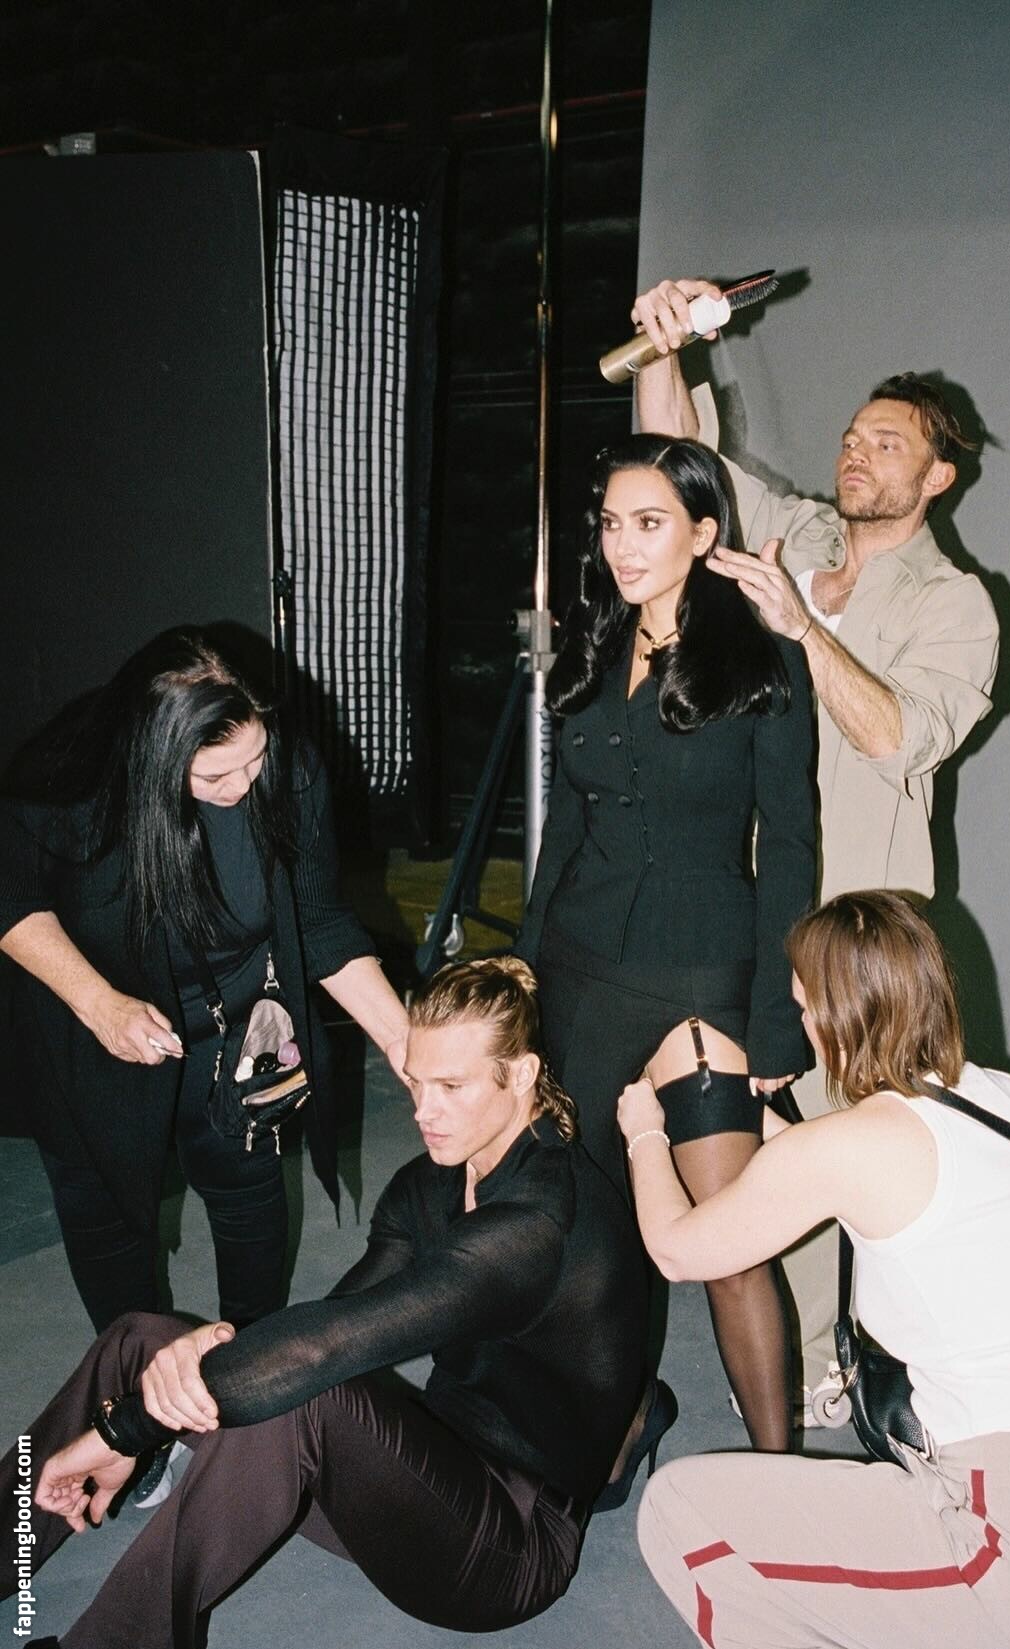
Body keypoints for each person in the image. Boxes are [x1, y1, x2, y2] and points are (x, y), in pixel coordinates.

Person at [0, 957, 647, 1649]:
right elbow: (340, 1321)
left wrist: (126, 1429)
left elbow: (321, 1355)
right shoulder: (433, 1180)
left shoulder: (536, 1226)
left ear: (519, 1075)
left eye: (452, 1086)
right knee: (142, 1339)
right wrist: (205, 1357)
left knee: (303, 1396)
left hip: (507, 1546)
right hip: (422, 1466)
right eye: (415, 1080)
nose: (423, 1111)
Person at [620, 890, 1010, 1649]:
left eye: (805, 1009)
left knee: (678, 1509)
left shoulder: (852, 1149)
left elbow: (675, 1247)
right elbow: (863, 1177)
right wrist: (746, 1113)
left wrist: (644, 1132)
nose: (802, 1027)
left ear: (838, 1018)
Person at [632, 276, 1002, 1401]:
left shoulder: (958, 603)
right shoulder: (794, 528)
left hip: (856, 916)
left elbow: (899, 737)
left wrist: (803, 628)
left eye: (888, 444)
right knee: (759, 1125)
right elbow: (677, 461)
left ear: (936, 477)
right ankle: (802, 1353)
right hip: (742, 885)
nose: (857, 452)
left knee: (868, 1134)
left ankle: (904, 1347)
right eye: (852, 435)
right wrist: (666, 344)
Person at [516, 434, 817, 1452]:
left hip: (703, 981)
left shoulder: (763, 659)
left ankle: (778, 1469)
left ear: (703, 531)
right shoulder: (591, 651)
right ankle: (624, 1419)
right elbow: (564, 831)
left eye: (650, 523)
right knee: (598, 1236)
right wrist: (525, 970)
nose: (624, 545)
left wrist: (776, 1018)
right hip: (583, 973)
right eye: (611, 523)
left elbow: (791, 846)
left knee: (729, 1245)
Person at [0, 627, 410, 1337]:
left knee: (249, 1188)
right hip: (93, 1019)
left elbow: (321, 923)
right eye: (215, 777)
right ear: (154, 760)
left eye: (254, 759)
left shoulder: (286, 768)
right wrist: (99, 1004)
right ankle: (135, 1370)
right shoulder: (75, 779)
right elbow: (11, 897)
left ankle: (249, 1360)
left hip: (235, 1020)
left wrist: (404, 1041)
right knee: (106, 1211)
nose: (243, 787)